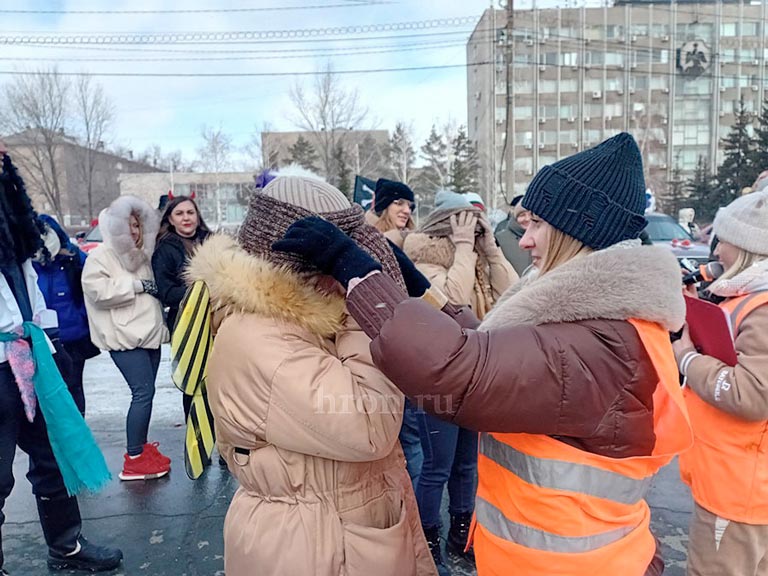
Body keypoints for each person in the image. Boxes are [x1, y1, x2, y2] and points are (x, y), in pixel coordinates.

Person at [274, 132, 694, 576]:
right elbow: (494, 350)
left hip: (573, 564)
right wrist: (414, 285)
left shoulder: (598, 343)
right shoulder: (603, 322)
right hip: (572, 555)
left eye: (536, 224)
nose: (525, 238)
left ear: (577, 230)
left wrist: (354, 269)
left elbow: (463, 370)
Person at [186, 174, 437, 576]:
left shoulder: (305, 319)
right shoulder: (261, 334)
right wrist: (365, 304)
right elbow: (369, 424)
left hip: (337, 532)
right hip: (313, 546)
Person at [0, 151, 122, 573]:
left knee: (53, 456)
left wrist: (51, 345)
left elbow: (29, 299)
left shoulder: (13, 241)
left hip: (30, 361)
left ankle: (66, 546)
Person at [402, 189, 516, 572]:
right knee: (437, 467)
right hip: (437, 378)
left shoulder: (478, 259)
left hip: (475, 376)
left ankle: (461, 536)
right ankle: (428, 541)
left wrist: (491, 249)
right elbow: (450, 301)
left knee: (467, 465)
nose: (471, 229)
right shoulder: (422, 257)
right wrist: (465, 248)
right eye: (464, 222)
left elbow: (514, 294)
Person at [672, 190, 768, 576]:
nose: (715, 249)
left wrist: (688, 359)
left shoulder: (762, 309)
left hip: (738, 493)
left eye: (722, 239)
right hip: (741, 486)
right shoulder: (747, 300)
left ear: (746, 247)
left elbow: (752, 394)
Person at [82, 195, 170, 482]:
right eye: (127, 224)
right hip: (124, 338)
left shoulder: (141, 254)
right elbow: (96, 291)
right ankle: (133, 458)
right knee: (142, 393)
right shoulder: (102, 255)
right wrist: (136, 285)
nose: (133, 230)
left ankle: (141, 449)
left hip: (148, 336)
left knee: (147, 393)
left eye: (137, 224)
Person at [33, 215, 100, 415]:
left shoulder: (73, 259)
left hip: (73, 336)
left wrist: (82, 317)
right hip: (40, 338)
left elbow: (93, 284)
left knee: (73, 385)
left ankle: (77, 432)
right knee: (45, 390)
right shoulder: (27, 265)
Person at [151, 194, 210, 419]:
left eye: (190, 212)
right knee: (193, 382)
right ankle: (196, 438)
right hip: (186, 323)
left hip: (216, 321)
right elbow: (166, 292)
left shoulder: (212, 241)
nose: (186, 218)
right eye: (180, 213)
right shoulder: (165, 249)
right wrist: (201, 292)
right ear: (171, 219)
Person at [366, 178, 416, 248]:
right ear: (384, 207)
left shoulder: (415, 242)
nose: (407, 211)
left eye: (410, 206)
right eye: (399, 203)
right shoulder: (365, 241)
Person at [494, 194, 533, 276]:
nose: (527, 219)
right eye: (522, 215)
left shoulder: (545, 238)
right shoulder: (500, 239)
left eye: (531, 215)